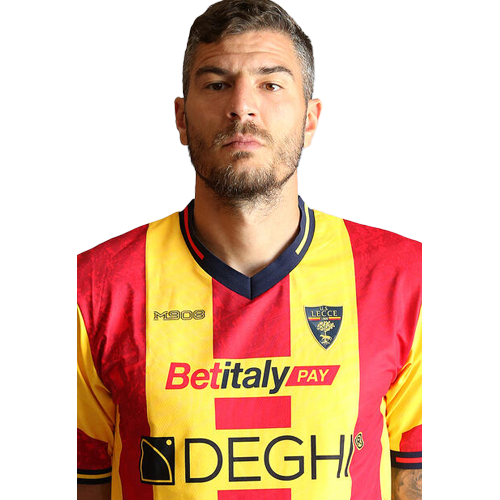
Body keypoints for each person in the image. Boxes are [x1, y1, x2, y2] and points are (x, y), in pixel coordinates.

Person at [77, 1, 422, 499]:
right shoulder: (93, 289)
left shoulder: (406, 280)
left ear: (311, 118)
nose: (242, 105)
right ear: (180, 118)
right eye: (217, 84)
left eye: (271, 84)